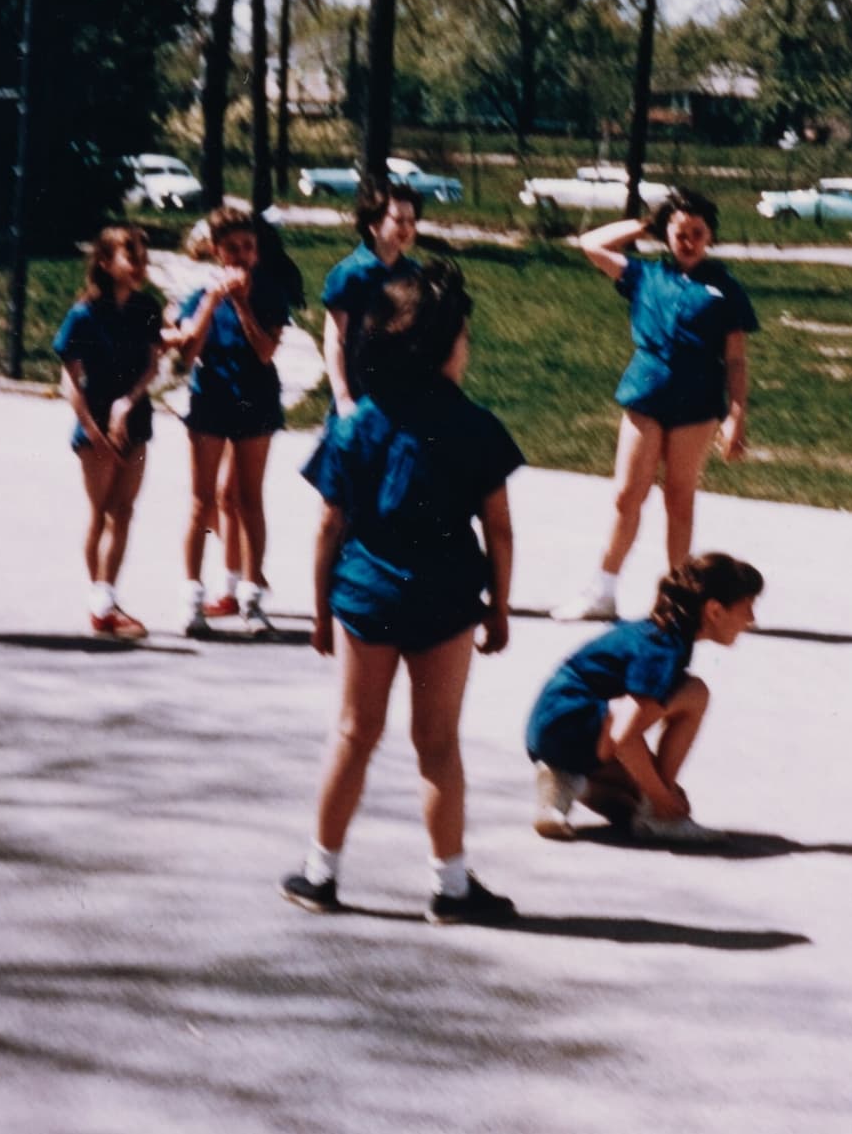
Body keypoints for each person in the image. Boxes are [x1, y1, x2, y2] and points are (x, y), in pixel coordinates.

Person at [279, 261, 523, 923]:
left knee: (355, 732)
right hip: (446, 599)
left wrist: (320, 609)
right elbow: (498, 530)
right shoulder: (477, 427)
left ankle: (318, 872)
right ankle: (450, 886)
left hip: (365, 595)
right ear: (444, 348)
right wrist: (498, 606)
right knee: (438, 742)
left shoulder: (355, 424)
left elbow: (331, 525)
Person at [552, 190, 757, 622]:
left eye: (698, 233)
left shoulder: (726, 290)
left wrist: (736, 415)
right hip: (646, 396)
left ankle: (679, 600)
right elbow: (591, 244)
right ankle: (602, 591)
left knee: (679, 499)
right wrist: (649, 222)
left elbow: (736, 360)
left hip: (697, 404)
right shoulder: (644, 275)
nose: (688, 241)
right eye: (680, 232)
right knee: (628, 495)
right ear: (667, 234)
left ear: (710, 237)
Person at [528, 554, 764, 847]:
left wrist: (656, 791)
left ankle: (563, 787)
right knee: (695, 694)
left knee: (643, 798)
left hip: (549, 729)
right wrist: (661, 797)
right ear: (715, 610)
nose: (752, 620)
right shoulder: (663, 649)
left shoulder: (660, 631)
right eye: (748, 606)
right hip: (575, 725)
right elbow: (623, 735)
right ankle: (656, 816)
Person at [170, 207, 292, 637]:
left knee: (248, 499)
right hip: (211, 400)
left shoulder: (270, 293)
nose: (242, 256)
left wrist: (242, 304)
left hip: (255, 401)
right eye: (233, 249)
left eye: (249, 247)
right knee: (201, 501)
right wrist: (212, 300)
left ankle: (252, 597)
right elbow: (186, 354)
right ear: (217, 252)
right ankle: (192, 600)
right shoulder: (202, 293)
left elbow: (264, 350)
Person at [53, 226, 166, 639]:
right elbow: (69, 378)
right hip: (94, 421)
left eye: (142, 256)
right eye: (129, 255)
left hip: (134, 418)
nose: (138, 264)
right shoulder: (84, 313)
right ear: (104, 262)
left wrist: (127, 402)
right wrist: (93, 428)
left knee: (124, 511)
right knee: (100, 511)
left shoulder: (146, 307)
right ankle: (99, 603)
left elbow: (154, 365)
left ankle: (107, 596)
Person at [321, 176, 425, 421]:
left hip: (401, 398)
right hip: (357, 399)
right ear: (374, 224)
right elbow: (334, 341)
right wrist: (343, 397)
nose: (407, 228)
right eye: (398, 220)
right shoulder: (349, 274)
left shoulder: (415, 274)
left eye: (412, 221)